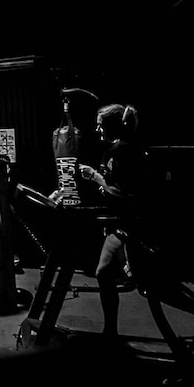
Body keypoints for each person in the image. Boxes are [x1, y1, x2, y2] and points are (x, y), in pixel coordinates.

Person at [78, 104, 148, 339]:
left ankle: (111, 331)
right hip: (119, 225)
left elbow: (120, 190)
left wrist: (94, 176)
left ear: (113, 126)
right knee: (104, 274)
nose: (97, 130)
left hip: (130, 225)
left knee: (140, 282)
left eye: (101, 125)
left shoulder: (121, 152)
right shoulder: (114, 151)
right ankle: (110, 331)